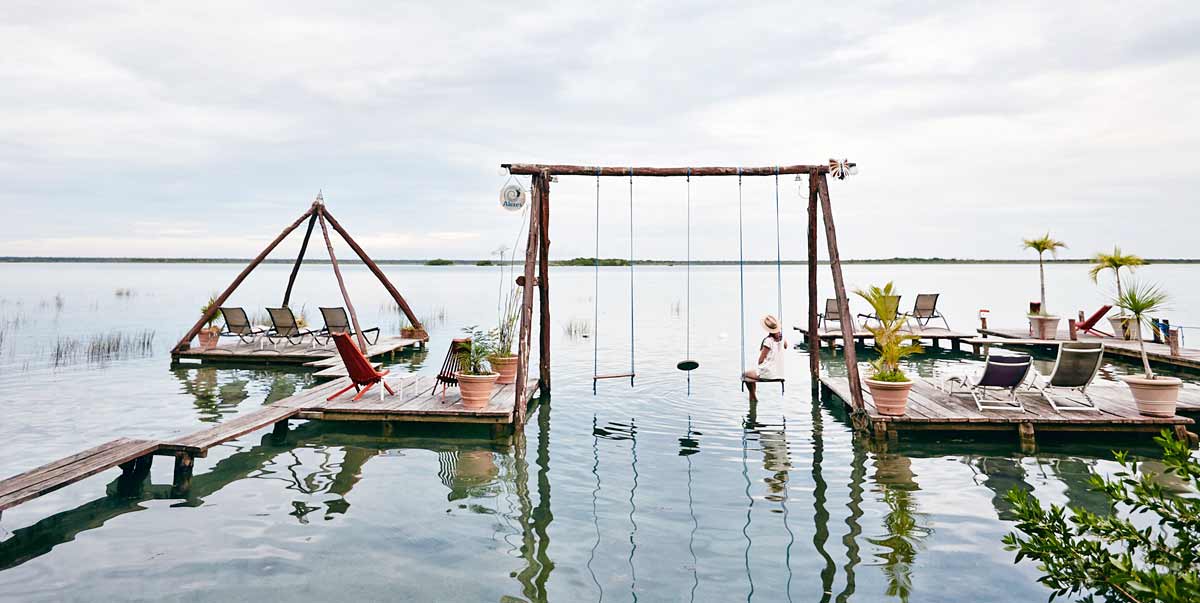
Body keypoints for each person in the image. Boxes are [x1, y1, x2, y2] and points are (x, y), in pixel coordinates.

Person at [743, 314, 786, 402]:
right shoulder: (782, 339)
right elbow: (785, 346)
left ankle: (753, 396)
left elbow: (760, 360)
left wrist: (761, 366)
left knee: (745, 374)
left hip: (769, 374)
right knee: (753, 374)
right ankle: (753, 397)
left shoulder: (768, 341)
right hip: (780, 373)